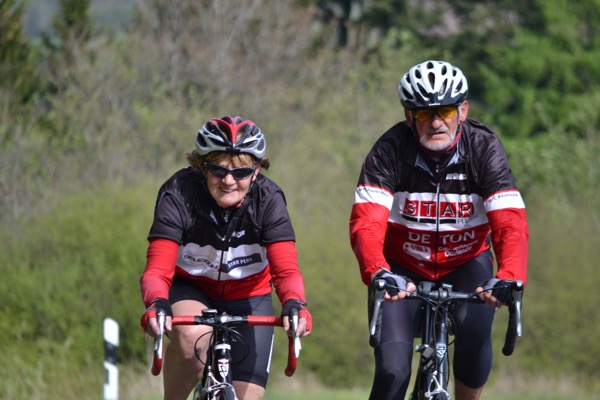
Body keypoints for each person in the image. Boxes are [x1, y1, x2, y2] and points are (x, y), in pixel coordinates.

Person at [349, 60, 529, 400]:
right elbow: (366, 224)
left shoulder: (483, 148)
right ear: (409, 116)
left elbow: (510, 223)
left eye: (445, 111)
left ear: (463, 110)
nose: (435, 122)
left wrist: (509, 275)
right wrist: (378, 271)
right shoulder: (389, 151)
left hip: (466, 263)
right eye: (423, 113)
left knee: (475, 338)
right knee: (392, 371)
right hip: (401, 268)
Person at [140, 115, 312, 400]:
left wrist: (295, 303)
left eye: (241, 172)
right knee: (192, 338)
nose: (229, 181)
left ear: (256, 171)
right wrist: (156, 302)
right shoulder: (179, 193)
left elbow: (286, 271)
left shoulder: (268, 200)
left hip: (250, 294)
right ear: (202, 167)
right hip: (191, 289)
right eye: (218, 170)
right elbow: (157, 269)